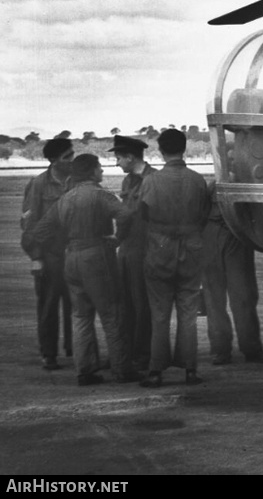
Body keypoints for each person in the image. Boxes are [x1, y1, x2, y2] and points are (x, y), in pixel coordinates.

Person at [30, 154, 136, 386]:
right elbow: (126, 214)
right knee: (111, 314)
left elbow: (39, 231)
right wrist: (117, 238)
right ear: (91, 171)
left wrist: (63, 245)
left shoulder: (65, 199)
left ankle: (85, 371)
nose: (102, 171)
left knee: (80, 317)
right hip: (97, 256)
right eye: (99, 167)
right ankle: (122, 369)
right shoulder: (100, 195)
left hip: (71, 258)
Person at [139, 129, 209, 388]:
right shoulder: (198, 180)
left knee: (159, 314)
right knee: (188, 313)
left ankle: (156, 371)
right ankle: (190, 370)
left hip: (160, 250)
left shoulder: (152, 181)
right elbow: (203, 215)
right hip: (191, 249)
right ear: (184, 148)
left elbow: (144, 213)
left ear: (161, 150)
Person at [20, 138, 76, 370]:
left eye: (73, 155)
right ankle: (49, 354)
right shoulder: (39, 184)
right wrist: (36, 257)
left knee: (78, 305)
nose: (72, 160)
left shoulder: (76, 182)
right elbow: (30, 224)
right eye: (67, 157)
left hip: (73, 253)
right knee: (48, 305)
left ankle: (75, 352)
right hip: (50, 256)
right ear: (54, 160)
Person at [204, 201, 263, 366]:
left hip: (211, 236)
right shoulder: (238, 185)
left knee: (215, 299)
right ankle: (250, 349)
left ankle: (220, 351)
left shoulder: (209, 188)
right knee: (243, 297)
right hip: (235, 235)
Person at [109, 136, 154, 374]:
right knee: (125, 305)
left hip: (144, 251)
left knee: (142, 305)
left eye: (118, 157)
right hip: (126, 250)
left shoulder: (153, 179)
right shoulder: (128, 181)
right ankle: (128, 353)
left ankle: (143, 355)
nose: (117, 163)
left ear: (130, 157)